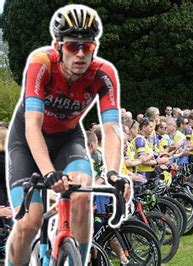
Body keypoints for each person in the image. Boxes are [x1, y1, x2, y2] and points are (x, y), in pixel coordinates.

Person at [5, 5, 130, 265]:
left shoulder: (104, 74)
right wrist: (49, 172)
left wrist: (114, 172)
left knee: (83, 196)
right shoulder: (41, 63)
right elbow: (32, 126)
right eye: (74, 46)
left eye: (88, 45)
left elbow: (111, 128)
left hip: (67, 140)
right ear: (59, 46)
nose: (81, 53)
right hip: (27, 143)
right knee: (30, 221)